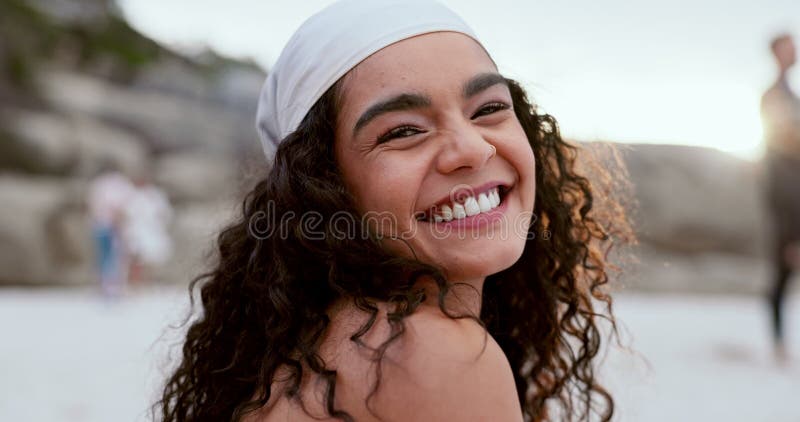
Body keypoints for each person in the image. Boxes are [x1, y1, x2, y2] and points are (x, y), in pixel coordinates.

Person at [157, 1, 632, 420]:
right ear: (323, 186)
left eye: (488, 108)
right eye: (403, 131)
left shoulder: (324, 347)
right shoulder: (427, 354)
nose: (471, 149)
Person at [761, 32, 800, 363]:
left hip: (791, 199)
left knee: (783, 276)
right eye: (790, 47)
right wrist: (790, 229)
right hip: (788, 203)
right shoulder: (775, 96)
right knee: (782, 273)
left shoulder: (791, 97)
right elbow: (780, 162)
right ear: (777, 54)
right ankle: (778, 345)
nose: (796, 51)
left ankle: (779, 345)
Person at [87, 167, 135, 299]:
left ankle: (112, 287)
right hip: (105, 226)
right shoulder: (110, 186)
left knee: (113, 258)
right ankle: (109, 287)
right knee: (109, 257)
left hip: (110, 226)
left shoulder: (102, 185)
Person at [121, 173, 173, 285]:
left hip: (151, 231)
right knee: (135, 259)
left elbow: (164, 213)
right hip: (136, 232)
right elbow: (127, 214)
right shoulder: (132, 195)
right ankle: (135, 282)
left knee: (149, 259)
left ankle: (146, 281)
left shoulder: (155, 195)